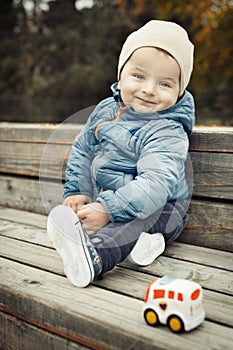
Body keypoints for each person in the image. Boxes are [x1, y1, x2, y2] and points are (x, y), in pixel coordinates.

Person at [47, 20, 195, 287]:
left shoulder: (168, 130)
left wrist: (108, 209)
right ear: (120, 75)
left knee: (138, 216)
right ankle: (146, 244)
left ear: (179, 90)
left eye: (164, 83)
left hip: (164, 209)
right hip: (118, 199)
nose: (149, 89)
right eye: (139, 76)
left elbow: (155, 187)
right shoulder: (105, 111)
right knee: (115, 215)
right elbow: (83, 150)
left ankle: (96, 257)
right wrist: (78, 191)